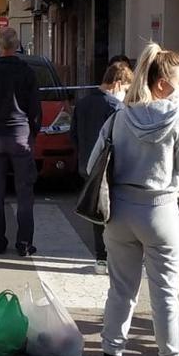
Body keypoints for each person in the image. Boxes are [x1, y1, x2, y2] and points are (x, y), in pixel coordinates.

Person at [85, 43, 179, 356]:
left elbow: (93, 166)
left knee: (121, 290)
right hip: (162, 211)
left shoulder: (119, 116)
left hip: (120, 212)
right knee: (165, 294)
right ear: (163, 83)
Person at [0, 27, 41, 256]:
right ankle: (24, 243)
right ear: (17, 45)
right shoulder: (28, 72)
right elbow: (35, 110)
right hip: (20, 137)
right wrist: (33, 133)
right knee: (24, 193)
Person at [70, 61, 134, 274]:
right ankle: (112, 258)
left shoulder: (83, 103)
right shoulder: (116, 108)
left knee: (97, 211)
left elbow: (74, 135)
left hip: (86, 166)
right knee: (113, 215)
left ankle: (101, 259)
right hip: (110, 168)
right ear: (117, 84)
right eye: (126, 89)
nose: (126, 94)